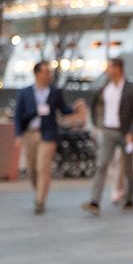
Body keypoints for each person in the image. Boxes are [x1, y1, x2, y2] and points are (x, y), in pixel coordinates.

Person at [13, 60, 84, 214]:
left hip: (48, 134)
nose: (48, 75)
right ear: (37, 74)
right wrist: (18, 135)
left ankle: (40, 200)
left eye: (49, 73)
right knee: (32, 169)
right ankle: (39, 191)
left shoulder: (54, 92)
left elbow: (63, 109)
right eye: (45, 72)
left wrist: (74, 108)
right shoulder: (24, 92)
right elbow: (18, 116)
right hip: (30, 133)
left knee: (43, 167)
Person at [81, 57, 133, 214]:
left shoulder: (132, 88)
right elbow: (94, 105)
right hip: (108, 131)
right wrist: (96, 124)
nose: (107, 71)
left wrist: (132, 132)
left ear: (118, 68)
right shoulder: (105, 88)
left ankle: (129, 199)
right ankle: (95, 201)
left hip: (126, 132)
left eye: (109, 67)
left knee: (128, 167)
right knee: (102, 164)